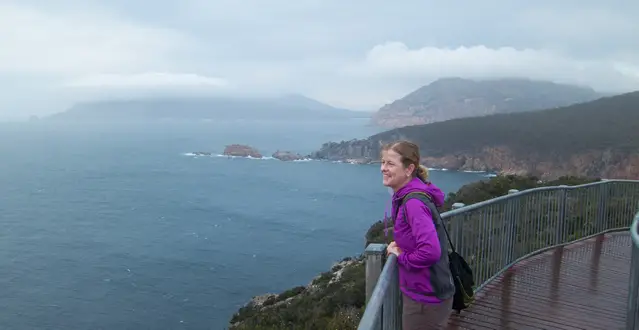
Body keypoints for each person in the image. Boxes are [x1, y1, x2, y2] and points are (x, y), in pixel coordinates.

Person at [381, 140, 455, 330]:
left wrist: (401, 257)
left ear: (409, 169)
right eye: (382, 162)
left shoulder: (413, 203)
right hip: (425, 294)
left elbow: (430, 251)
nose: (383, 168)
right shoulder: (410, 194)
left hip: (425, 298)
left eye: (390, 163)